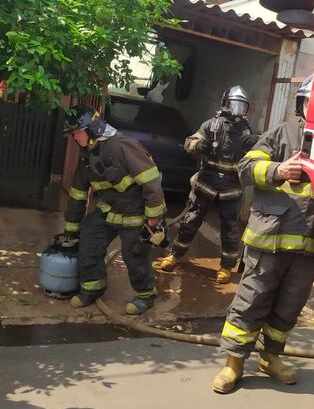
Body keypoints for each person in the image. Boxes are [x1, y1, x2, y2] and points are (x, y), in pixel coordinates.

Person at [212, 75, 314, 394]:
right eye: (310, 100)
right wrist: (278, 171)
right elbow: (246, 169)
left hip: (309, 245)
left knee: (289, 307)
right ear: (302, 105)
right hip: (268, 241)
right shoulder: (283, 133)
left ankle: (271, 358)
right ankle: (232, 364)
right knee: (251, 301)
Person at [60, 106, 166, 315]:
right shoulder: (87, 155)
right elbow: (78, 192)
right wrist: (71, 229)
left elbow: (152, 184)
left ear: (91, 129)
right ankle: (92, 288)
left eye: (76, 133)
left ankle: (145, 296)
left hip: (135, 210)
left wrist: (152, 223)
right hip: (109, 208)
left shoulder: (124, 146)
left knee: (133, 253)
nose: (74, 138)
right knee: (89, 239)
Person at [159, 86, 258, 283]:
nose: (237, 110)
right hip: (206, 183)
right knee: (190, 221)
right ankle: (175, 255)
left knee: (231, 229)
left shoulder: (248, 131)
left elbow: (262, 153)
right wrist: (199, 146)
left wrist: (255, 142)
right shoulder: (212, 126)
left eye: (241, 106)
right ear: (225, 105)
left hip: (231, 187)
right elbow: (190, 142)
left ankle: (226, 267)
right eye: (233, 105)